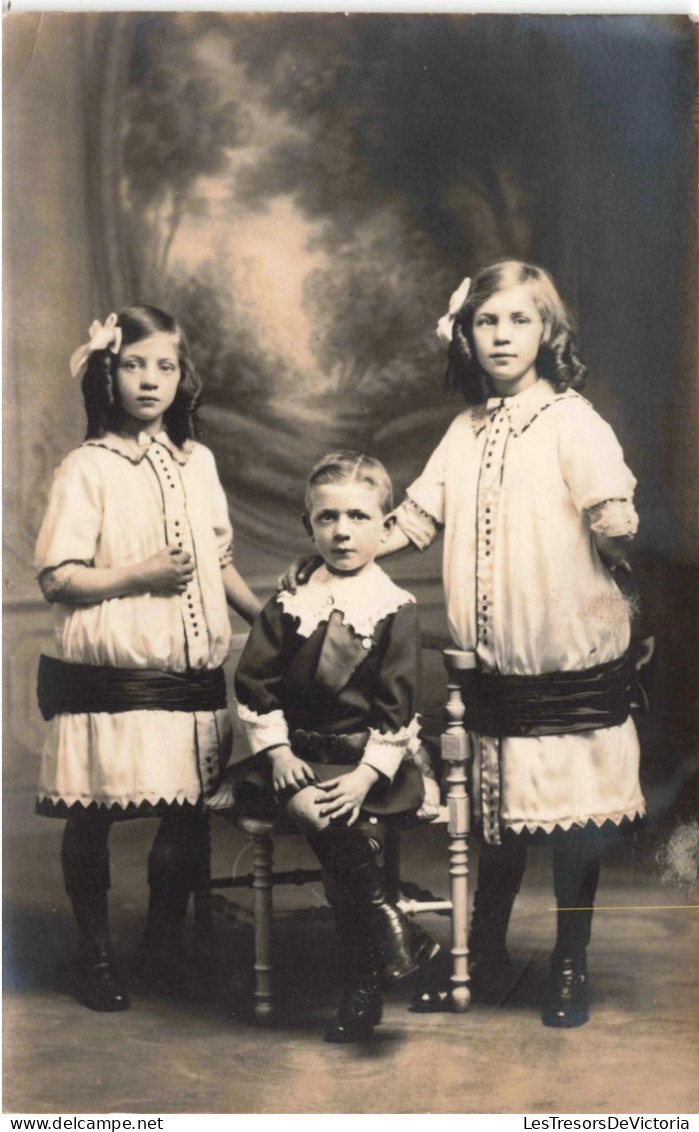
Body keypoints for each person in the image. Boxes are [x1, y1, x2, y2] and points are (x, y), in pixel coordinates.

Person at [286, 260, 652, 1028]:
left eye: (518, 321)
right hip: (489, 671)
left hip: (563, 661)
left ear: (547, 332)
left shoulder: (571, 421)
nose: (501, 336)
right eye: (486, 322)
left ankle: (568, 966)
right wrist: (336, 555)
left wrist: (613, 563)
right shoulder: (464, 432)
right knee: (501, 823)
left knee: (572, 828)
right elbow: (414, 523)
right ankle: (482, 957)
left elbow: (615, 523)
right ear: (465, 334)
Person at [35, 306, 261, 1013]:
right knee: (92, 814)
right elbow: (57, 577)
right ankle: (94, 950)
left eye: (164, 366)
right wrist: (139, 575)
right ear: (109, 372)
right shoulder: (87, 468)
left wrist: (270, 620)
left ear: (181, 377)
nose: (150, 380)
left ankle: (162, 945)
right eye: (134, 364)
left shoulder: (199, 464)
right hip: (109, 674)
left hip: (188, 676)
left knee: (187, 814)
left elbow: (216, 561)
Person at [232, 452, 443, 1043]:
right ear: (309, 527)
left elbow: (398, 707)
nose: (342, 531)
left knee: (344, 835)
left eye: (357, 516)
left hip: (366, 767)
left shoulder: (395, 608)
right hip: (294, 760)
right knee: (336, 832)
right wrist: (278, 758)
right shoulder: (289, 602)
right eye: (327, 519)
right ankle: (386, 931)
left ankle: (362, 987)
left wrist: (363, 778)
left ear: (385, 526)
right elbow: (254, 684)